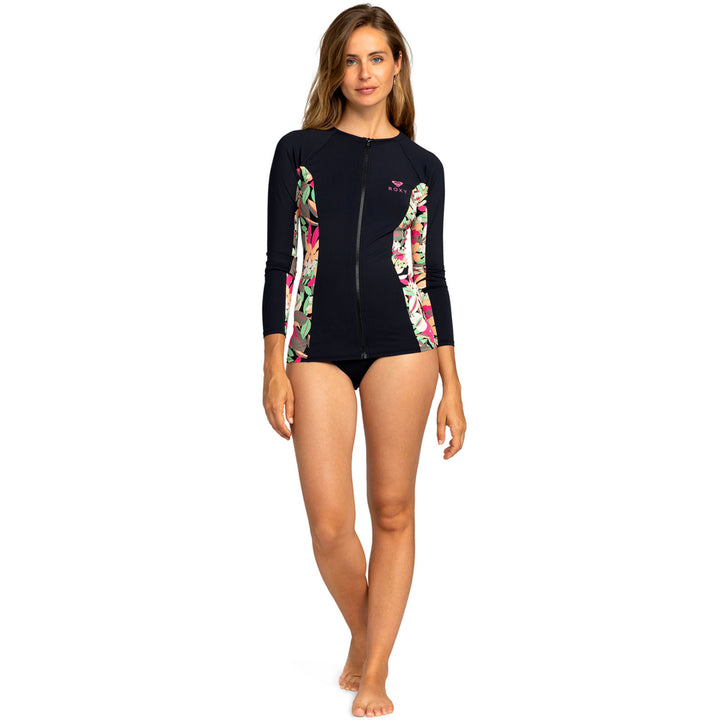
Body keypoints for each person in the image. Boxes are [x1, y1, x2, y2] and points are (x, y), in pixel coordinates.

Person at [261, 4, 466, 716]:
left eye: (377, 58)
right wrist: (272, 363)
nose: (365, 73)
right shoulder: (299, 151)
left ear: (397, 66)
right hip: (315, 344)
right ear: (335, 70)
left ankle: (374, 668)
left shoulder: (422, 167)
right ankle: (364, 630)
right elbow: (279, 263)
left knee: (394, 509)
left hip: (405, 344)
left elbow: (431, 276)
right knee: (328, 522)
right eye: (351, 60)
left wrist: (453, 383)